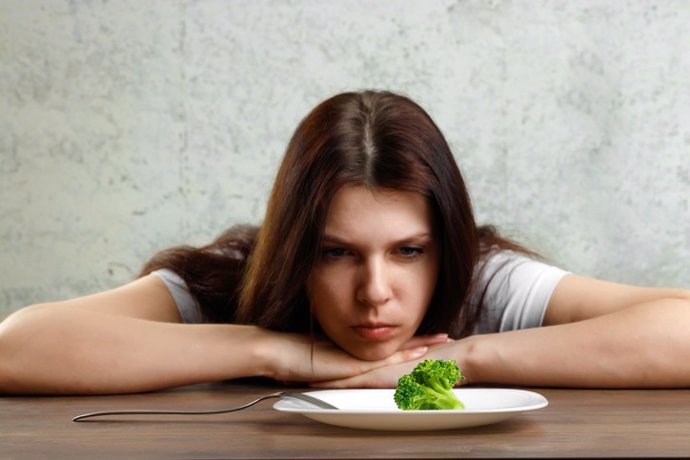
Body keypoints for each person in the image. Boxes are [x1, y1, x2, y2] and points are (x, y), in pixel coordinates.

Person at [1, 90, 689, 395]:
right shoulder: (230, 282)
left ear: (443, 245)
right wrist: (277, 353)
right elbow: (18, 347)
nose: (376, 290)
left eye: (408, 251)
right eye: (336, 253)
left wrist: (462, 362)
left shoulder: (483, 281)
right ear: (296, 249)